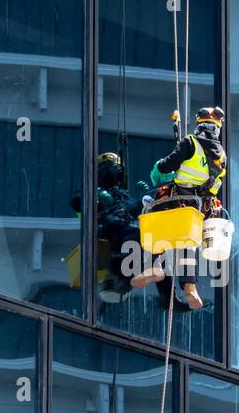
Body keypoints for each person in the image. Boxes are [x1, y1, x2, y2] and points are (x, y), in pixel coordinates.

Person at [133, 106, 227, 310]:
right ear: (217, 129)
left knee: (153, 221)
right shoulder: (222, 156)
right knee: (187, 244)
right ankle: (190, 288)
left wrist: (160, 167)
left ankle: (153, 266)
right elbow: (216, 186)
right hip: (199, 207)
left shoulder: (189, 142)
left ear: (199, 125)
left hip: (177, 199)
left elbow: (167, 166)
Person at [72, 152, 147, 303]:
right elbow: (76, 201)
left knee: (141, 236)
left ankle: (128, 276)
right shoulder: (89, 189)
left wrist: (143, 200)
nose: (115, 174)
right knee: (133, 233)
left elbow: (132, 208)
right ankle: (126, 278)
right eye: (112, 169)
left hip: (122, 232)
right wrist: (97, 194)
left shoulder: (121, 195)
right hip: (104, 230)